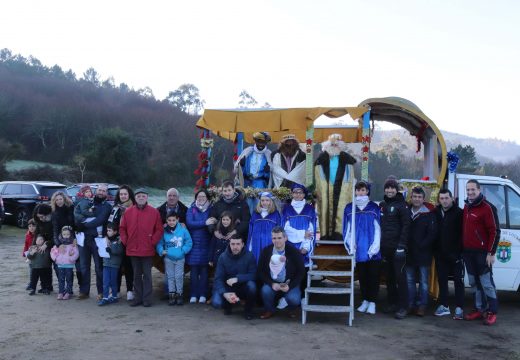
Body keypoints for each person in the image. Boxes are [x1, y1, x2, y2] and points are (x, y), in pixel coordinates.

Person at [462, 179, 500, 326]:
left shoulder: (488, 207)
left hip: (483, 254)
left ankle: (492, 312)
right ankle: (479, 309)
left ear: (479, 190)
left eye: (473, 190)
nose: (470, 192)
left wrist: (491, 252)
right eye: (468, 190)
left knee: (487, 284)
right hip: (468, 253)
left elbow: (495, 231)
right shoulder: (467, 206)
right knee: (473, 283)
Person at [120, 188, 163, 307]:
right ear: (135, 198)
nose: (141, 198)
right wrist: (126, 241)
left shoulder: (154, 212)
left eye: (143, 196)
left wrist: (152, 242)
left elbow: (159, 229)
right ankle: (137, 298)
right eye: (138, 196)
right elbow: (122, 228)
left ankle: (147, 299)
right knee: (136, 275)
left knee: (147, 276)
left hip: (147, 250)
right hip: (132, 249)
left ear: (147, 198)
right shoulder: (128, 212)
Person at [343, 181, 381, 315]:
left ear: (367, 191)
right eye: (358, 190)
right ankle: (365, 300)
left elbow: (378, 229)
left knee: (373, 277)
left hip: (372, 250)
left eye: (363, 190)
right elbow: (347, 230)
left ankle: (372, 302)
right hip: (358, 249)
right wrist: (350, 244)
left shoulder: (373, 208)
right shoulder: (349, 208)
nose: (360, 192)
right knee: (363, 277)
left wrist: (374, 248)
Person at [379, 178, 411, 320]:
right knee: (389, 278)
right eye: (387, 188)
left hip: (398, 249)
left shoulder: (402, 205)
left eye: (392, 188)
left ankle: (403, 306)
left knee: (400, 278)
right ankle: (392, 303)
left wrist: (402, 246)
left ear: (396, 190)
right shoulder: (383, 205)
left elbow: (406, 226)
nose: (389, 190)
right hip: (385, 248)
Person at [257, 226, 305, 319]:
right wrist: (271, 283)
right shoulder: (266, 251)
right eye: (274, 238)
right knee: (265, 291)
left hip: (289, 282)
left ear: (285, 238)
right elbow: (260, 271)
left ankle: (291, 309)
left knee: (294, 299)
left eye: (279, 238)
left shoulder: (294, 252)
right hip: (273, 282)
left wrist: (289, 286)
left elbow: (301, 272)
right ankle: (269, 310)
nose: (277, 241)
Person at [315, 133, 356, 240]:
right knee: (325, 208)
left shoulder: (347, 161)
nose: (334, 147)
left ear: (340, 146)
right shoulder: (321, 160)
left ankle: (339, 233)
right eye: (331, 145)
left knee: (341, 210)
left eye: (336, 145)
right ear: (326, 146)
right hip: (326, 188)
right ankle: (325, 234)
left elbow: (350, 178)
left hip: (341, 188)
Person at [434, 188, 465, 320]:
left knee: (458, 281)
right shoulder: (436, 212)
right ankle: (444, 305)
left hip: (456, 255)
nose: (444, 201)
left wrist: (459, 253)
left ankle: (459, 308)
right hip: (441, 255)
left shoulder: (460, 213)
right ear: (439, 200)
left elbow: (463, 234)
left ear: (452, 198)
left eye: (447, 198)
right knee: (442, 281)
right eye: (442, 198)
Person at [406, 186, 437, 317]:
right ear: (411, 198)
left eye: (419, 197)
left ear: (423, 199)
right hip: (409, 253)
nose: (417, 199)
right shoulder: (406, 212)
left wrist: (421, 246)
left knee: (424, 281)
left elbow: (432, 234)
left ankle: (422, 305)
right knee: (410, 280)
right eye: (415, 196)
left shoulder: (429, 213)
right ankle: (410, 304)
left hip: (424, 253)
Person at [281, 183, 316, 296]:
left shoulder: (310, 209)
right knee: (289, 272)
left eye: (300, 192)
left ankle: (302, 297)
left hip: (304, 247)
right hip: (290, 246)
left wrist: (306, 246)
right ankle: (287, 297)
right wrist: (301, 234)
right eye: (295, 192)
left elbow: (311, 231)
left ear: (304, 195)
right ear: (292, 194)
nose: (297, 194)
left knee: (303, 273)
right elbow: (285, 229)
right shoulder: (286, 209)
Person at [212, 235, 257, 320]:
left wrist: (238, 278)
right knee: (216, 303)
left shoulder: (250, 256)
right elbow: (218, 278)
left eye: (238, 244)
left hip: (243, 286)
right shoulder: (223, 257)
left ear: (243, 244)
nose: (235, 247)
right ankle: (228, 304)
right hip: (228, 288)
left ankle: (248, 311)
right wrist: (224, 293)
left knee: (252, 286)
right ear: (229, 244)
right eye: (233, 244)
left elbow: (254, 275)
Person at [157, 212, 193, 306]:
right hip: (168, 258)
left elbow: (188, 242)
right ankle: (171, 295)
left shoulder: (183, 230)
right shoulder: (164, 231)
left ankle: (179, 295)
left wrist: (183, 251)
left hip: (180, 258)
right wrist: (161, 250)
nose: (171, 222)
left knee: (179, 276)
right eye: (169, 220)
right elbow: (159, 243)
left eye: (173, 220)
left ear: (177, 220)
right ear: (166, 221)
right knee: (170, 277)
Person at [108, 185, 136, 301]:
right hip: (115, 241)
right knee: (117, 267)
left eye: (125, 194)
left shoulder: (134, 207)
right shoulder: (115, 208)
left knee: (129, 266)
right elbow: (110, 223)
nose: (123, 196)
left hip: (129, 241)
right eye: (121, 194)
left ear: (129, 194)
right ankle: (117, 290)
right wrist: (109, 236)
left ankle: (130, 290)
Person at [186, 189, 212, 304]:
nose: (201, 198)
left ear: (207, 198)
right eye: (199, 197)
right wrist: (204, 223)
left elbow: (213, 223)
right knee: (194, 271)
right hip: (194, 244)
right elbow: (190, 224)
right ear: (196, 198)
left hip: (206, 243)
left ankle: (203, 294)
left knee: (204, 271)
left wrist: (205, 224)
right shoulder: (191, 209)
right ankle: (193, 294)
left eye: (203, 196)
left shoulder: (211, 210)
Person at [247, 192, 281, 263]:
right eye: (262, 200)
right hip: (256, 242)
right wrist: (250, 244)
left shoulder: (275, 214)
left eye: (267, 200)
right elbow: (251, 230)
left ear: (270, 201)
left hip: (269, 242)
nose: (264, 202)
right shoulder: (255, 214)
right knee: (256, 261)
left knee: (267, 260)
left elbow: (279, 230)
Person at [98, 223, 124, 306]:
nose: (108, 232)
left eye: (110, 230)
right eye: (107, 230)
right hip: (106, 264)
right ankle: (105, 297)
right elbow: (101, 250)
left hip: (114, 265)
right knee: (105, 281)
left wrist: (111, 249)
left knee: (113, 281)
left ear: (115, 232)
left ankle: (114, 296)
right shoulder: (105, 240)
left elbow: (120, 251)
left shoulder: (118, 241)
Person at [50, 226, 79, 300]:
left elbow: (76, 253)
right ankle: (61, 292)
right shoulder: (59, 244)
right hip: (60, 265)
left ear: (71, 235)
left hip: (69, 265)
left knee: (69, 279)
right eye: (64, 234)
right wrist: (56, 258)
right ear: (61, 234)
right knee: (61, 279)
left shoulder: (73, 244)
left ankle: (68, 292)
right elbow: (53, 252)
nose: (66, 236)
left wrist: (71, 259)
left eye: (68, 234)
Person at [33, 203, 55, 292]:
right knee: (43, 268)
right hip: (43, 247)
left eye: (42, 217)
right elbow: (36, 234)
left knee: (53, 269)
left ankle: (50, 286)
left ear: (48, 213)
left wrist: (47, 244)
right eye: (39, 217)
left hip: (54, 246)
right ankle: (44, 286)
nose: (41, 219)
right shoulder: (39, 221)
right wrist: (33, 246)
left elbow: (57, 236)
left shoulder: (54, 219)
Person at [22, 219, 37, 290]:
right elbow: (26, 245)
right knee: (31, 270)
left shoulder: (38, 235)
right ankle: (31, 283)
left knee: (38, 271)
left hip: (38, 255)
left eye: (33, 226)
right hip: (30, 255)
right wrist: (24, 254)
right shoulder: (27, 235)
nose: (31, 227)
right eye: (30, 226)